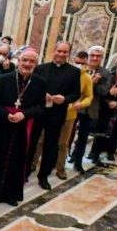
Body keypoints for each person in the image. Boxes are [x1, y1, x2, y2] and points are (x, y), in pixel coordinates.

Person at [0, 48, 47, 206]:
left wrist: (25, 114)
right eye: (24, 60)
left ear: (36, 64)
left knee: (17, 160)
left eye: (31, 61)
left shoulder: (40, 83)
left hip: (23, 128)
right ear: (19, 61)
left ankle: (11, 194)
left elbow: (42, 107)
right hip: (2, 126)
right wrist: (6, 114)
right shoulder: (4, 79)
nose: (27, 64)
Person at [30, 41, 81, 190]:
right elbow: (32, 89)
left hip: (57, 114)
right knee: (32, 142)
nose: (61, 54)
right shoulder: (40, 68)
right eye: (59, 51)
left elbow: (76, 93)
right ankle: (25, 171)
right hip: (38, 112)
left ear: (69, 54)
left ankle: (43, 176)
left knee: (51, 146)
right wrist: (41, 95)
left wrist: (64, 99)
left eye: (65, 52)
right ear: (54, 51)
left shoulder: (73, 71)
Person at [70, 45, 111, 173]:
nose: (94, 58)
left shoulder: (105, 73)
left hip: (90, 108)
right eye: (92, 55)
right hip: (75, 105)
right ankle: (65, 157)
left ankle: (78, 162)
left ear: (102, 58)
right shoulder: (80, 69)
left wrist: (95, 83)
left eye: (98, 56)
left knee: (83, 137)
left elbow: (104, 92)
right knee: (68, 135)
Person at [55, 52, 93, 179]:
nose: (80, 65)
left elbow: (89, 96)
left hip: (70, 113)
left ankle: (60, 167)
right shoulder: (66, 72)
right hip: (53, 111)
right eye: (77, 62)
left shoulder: (87, 78)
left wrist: (81, 104)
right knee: (43, 139)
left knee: (63, 143)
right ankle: (36, 163)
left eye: (83, 63)